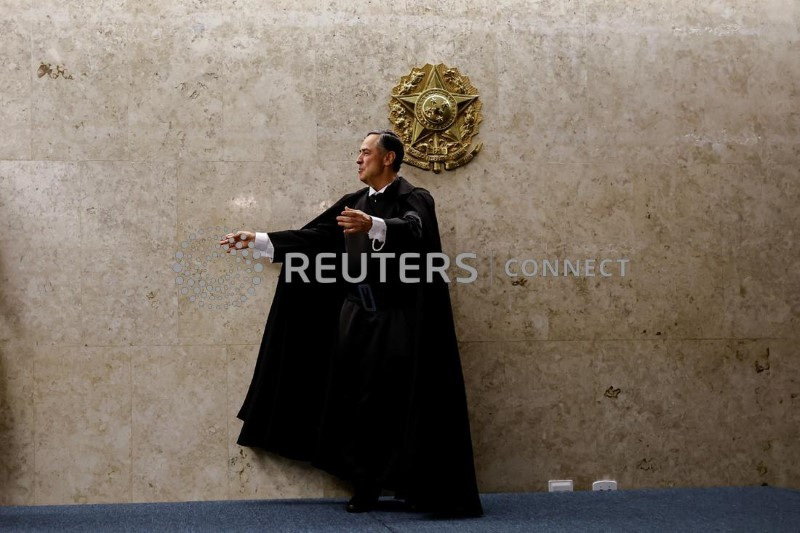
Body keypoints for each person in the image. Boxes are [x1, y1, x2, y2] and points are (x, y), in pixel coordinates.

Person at [222, 130, 482, 516]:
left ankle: (411, 483)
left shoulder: (415, 198)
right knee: (356, 401)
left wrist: (375, 225)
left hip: (399, 322)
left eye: (365, 152)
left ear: (389, 158)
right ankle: (366, 485)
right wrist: (259, 238)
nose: (358, 160)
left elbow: (415, 230)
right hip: (355, 319)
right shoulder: (353, 203)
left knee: (399, 400)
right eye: (358, 153)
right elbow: (314, 237)